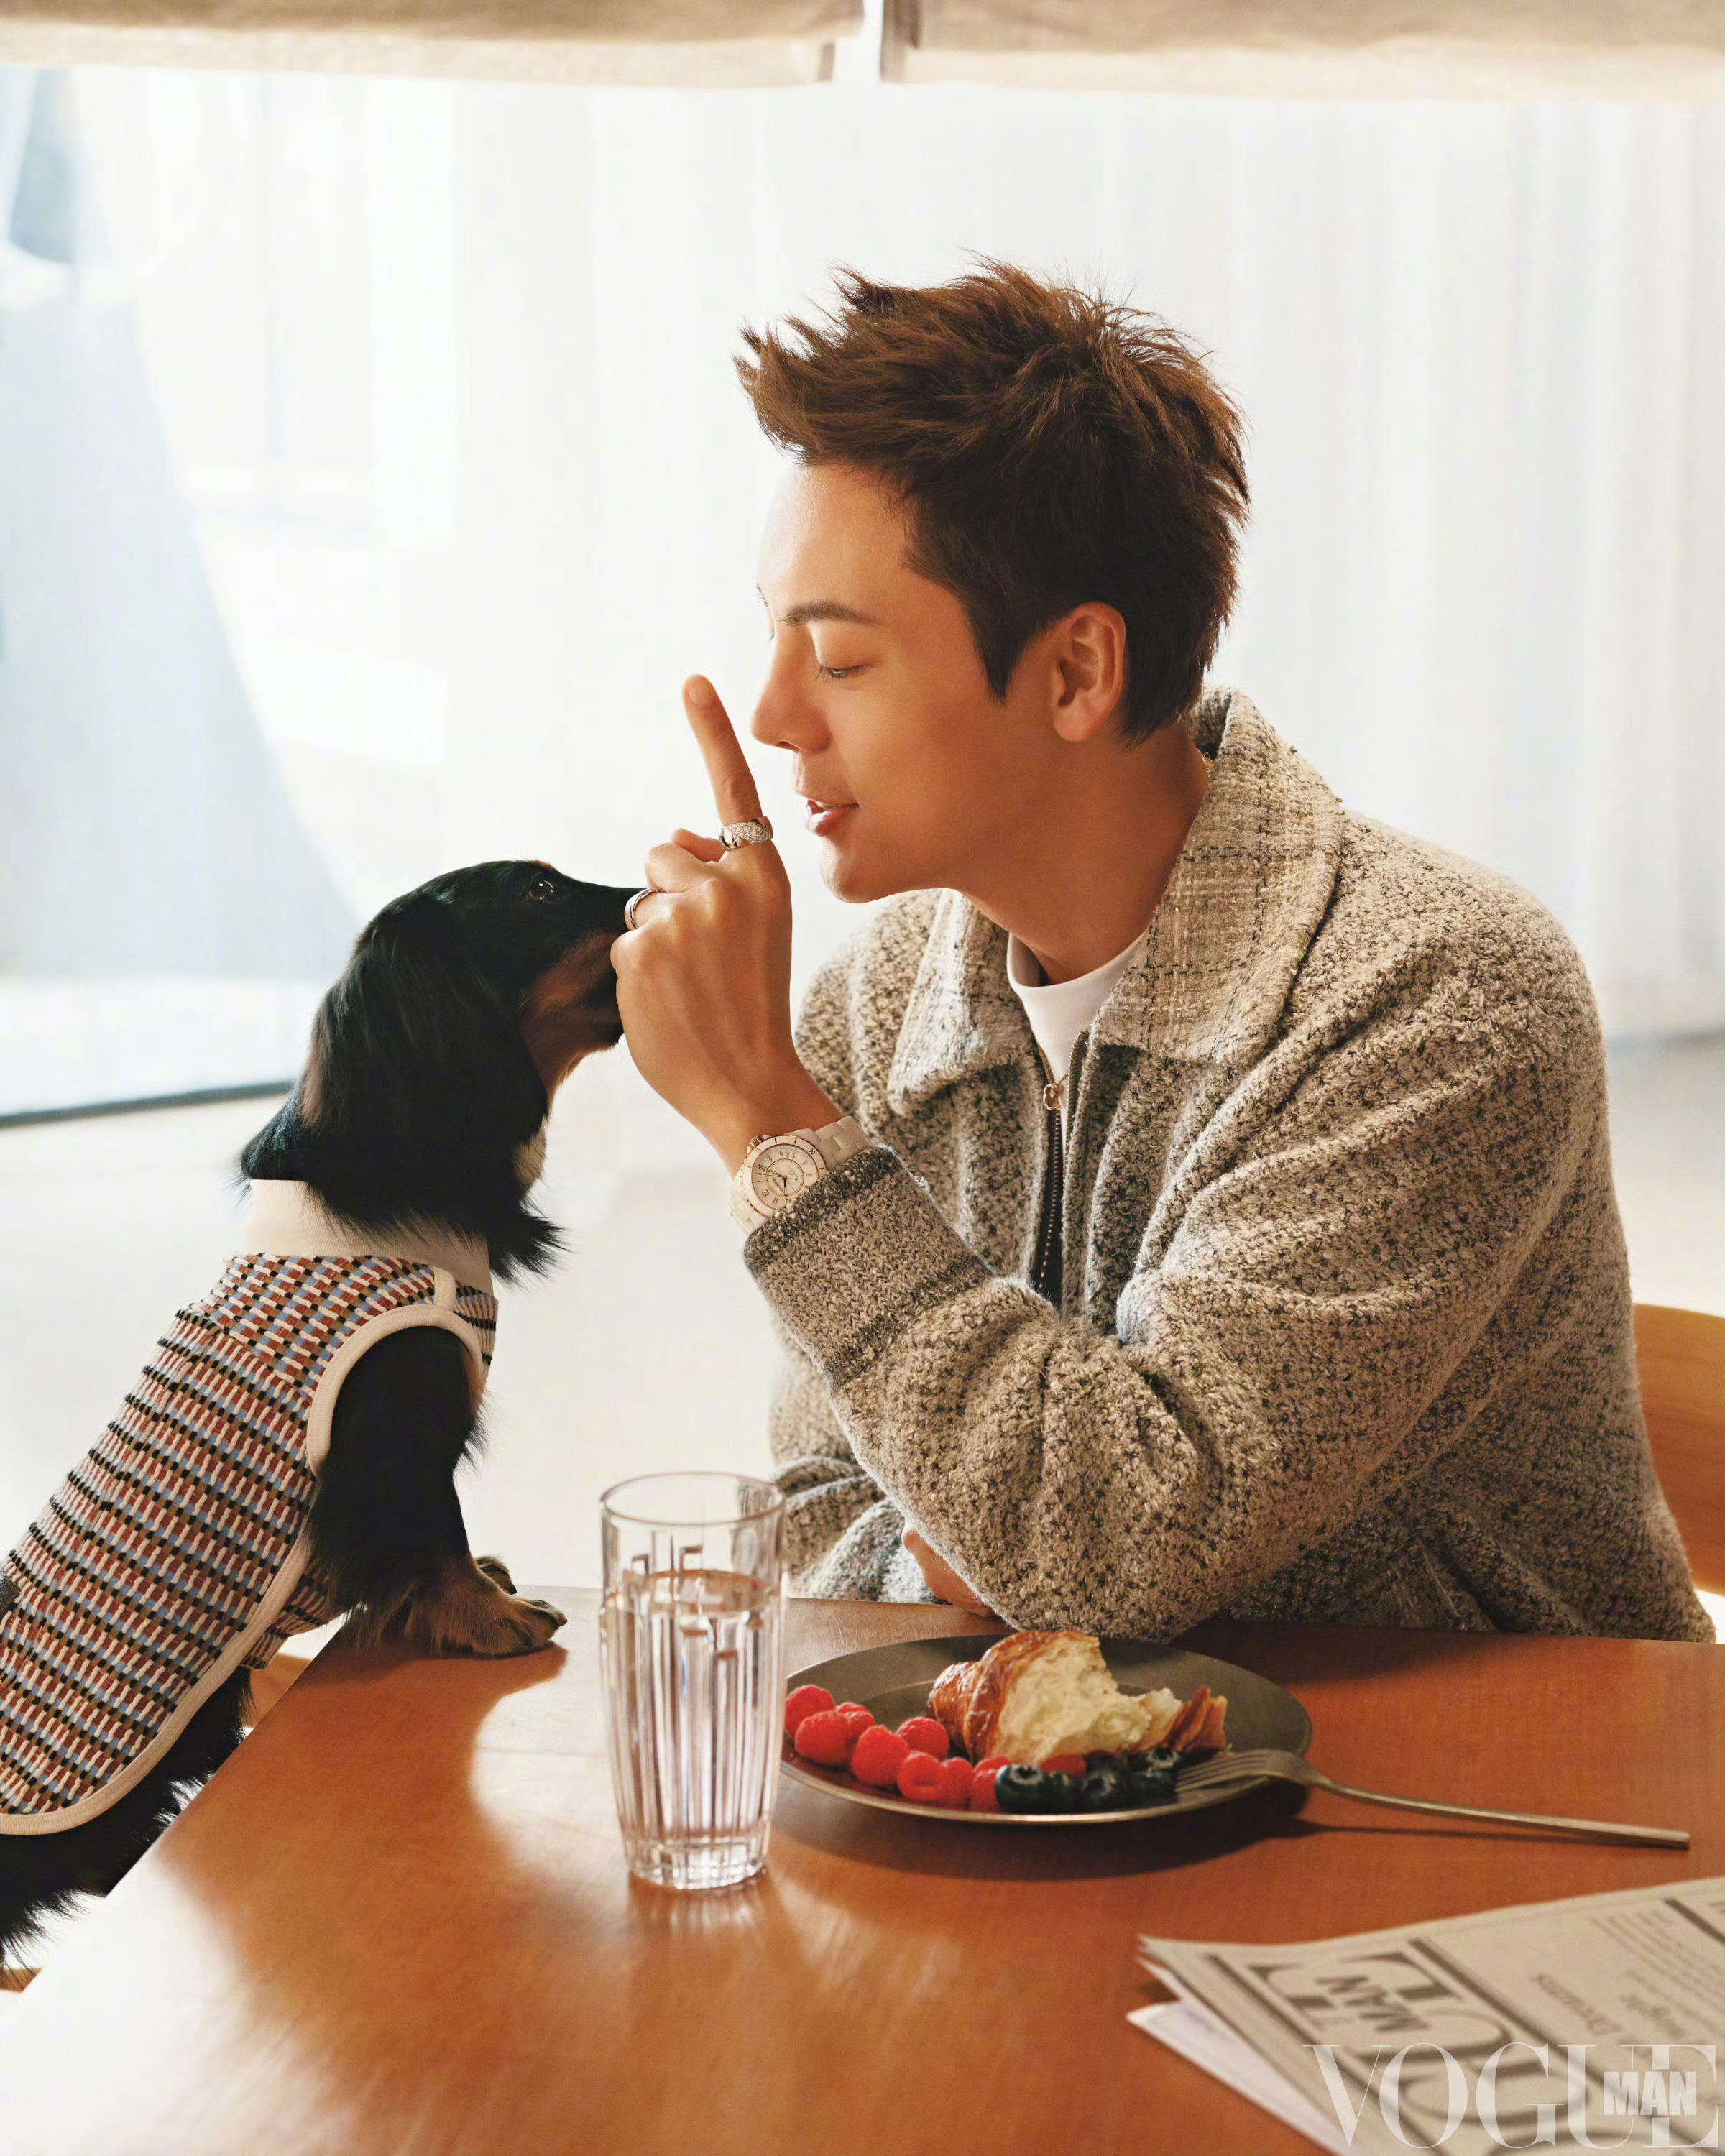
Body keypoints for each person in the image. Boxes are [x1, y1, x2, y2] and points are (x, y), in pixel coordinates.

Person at [612, 262, 1709, 1644]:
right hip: (1096, 1773)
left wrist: (776, 1128)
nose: (775, 717)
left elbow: (1126, 1545)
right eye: (774, 640)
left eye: (838, 660)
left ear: (1076, 671)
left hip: (1501, 1772)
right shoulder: (873, 1011)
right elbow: (830, 1512)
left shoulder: (1443, 998)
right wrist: (974, 1554)